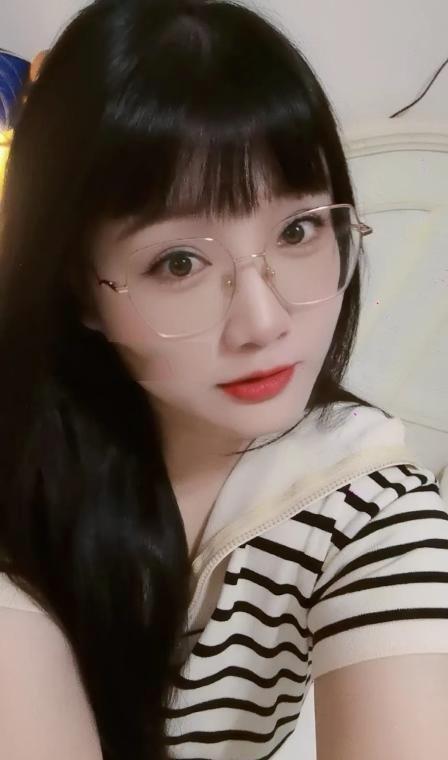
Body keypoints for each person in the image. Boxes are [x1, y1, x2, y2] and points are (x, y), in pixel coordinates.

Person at [0, 1, 447, 759]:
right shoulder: (25, 471)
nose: (263, 323)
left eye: (299, 229)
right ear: (79, 291)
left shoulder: (372, 515)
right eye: (179, 262)